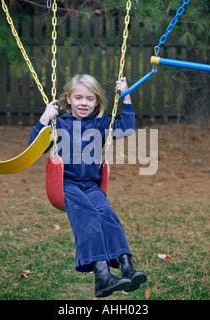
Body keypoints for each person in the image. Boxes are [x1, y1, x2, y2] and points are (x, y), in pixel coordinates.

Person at [29, 74, 147, 297]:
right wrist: (44, 119)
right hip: (67, 185)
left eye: (90, 99)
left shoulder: (101, 124)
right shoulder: (59, 123)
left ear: (97, 102)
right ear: (69, 99)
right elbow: (35, 147)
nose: (84, 103)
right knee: (89, 217)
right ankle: (102, 276)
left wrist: (126, 96)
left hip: (92, 186)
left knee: (107, 216)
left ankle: (126, 268)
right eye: (79, 98)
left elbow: (127, 128)